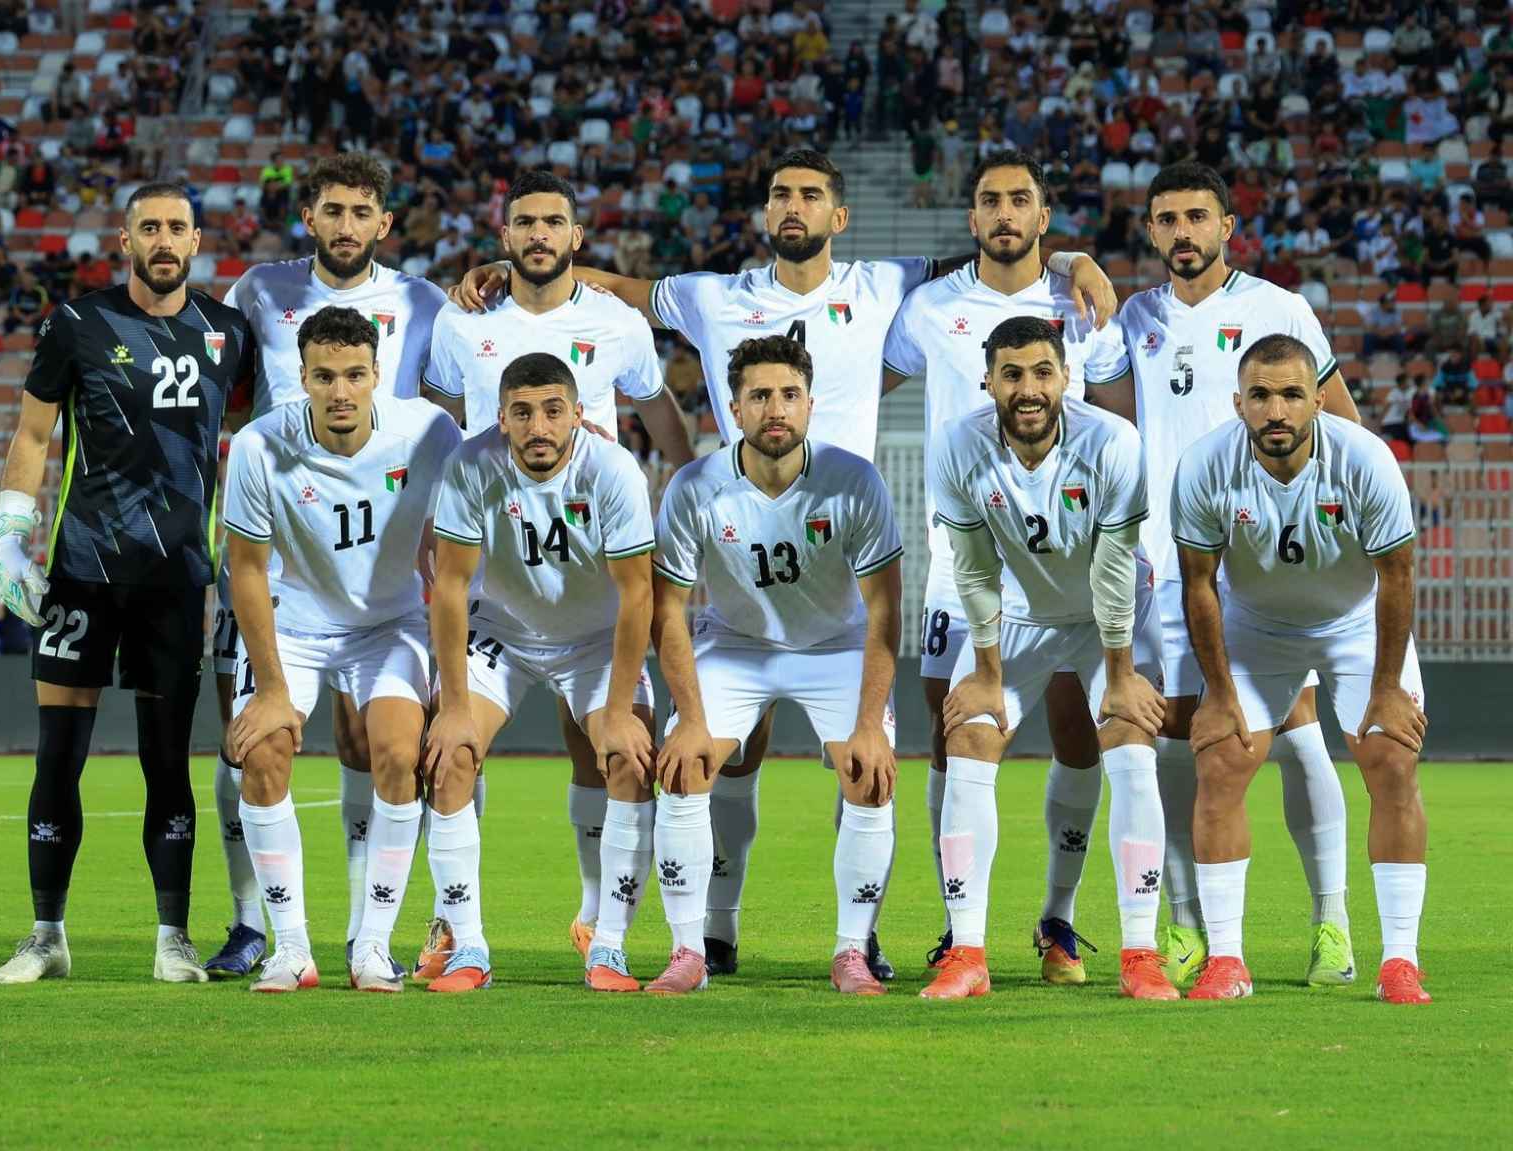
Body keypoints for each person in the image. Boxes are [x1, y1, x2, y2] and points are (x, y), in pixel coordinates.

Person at [452, 148, 1116, 979]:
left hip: (838, 567)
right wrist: (519, 267)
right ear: (765, 211)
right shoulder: (714, 296)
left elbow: (990, 253)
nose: (793, 206)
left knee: (867, 761)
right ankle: (710, 934)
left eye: (809, 194)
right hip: (738, 567)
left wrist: (1072, 258)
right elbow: (620, 289)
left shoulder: (883, 286)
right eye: (779, 194)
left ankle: (860, 940)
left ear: (840, 216)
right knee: (726, 753)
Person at [1090, 162, 1367, 990]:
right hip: (1171, 561)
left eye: (1197, 216)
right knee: (1186, 737)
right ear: (1150, 231)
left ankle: (1332, 922)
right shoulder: (1135, 318)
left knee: (1298, 730)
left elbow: (1344, 426)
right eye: (1167, 218)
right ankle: (1187, 924)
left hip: (1266, 557)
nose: (1183, 232)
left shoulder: (1279, 310)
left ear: (1227, 227)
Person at [420, 170, 692, 975]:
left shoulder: (615, 327)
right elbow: (433, 422)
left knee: (614, 751)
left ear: (577, 236)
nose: (539, 234)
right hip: (497, 592)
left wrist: (691, 485)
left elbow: (655, 410)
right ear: (504, 236)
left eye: (554, 221)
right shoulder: (462, 322)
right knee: (449, 745)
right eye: (525, 222)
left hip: (590, 588)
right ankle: (459, 934)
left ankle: (602, 927)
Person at [0, 182, 253, 985]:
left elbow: (253, 437)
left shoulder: (229, 333)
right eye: (150, 227)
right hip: (82, 573)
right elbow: (34, 432)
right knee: (57, 757)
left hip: (178, 579)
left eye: (177, 227)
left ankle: (173, 938)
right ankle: (46, 935)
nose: (164, 240)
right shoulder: (77, 323)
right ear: (124, 239)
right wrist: (10, 539)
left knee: (167, 762)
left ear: (197, 240)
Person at [883, 150, 1137, 981]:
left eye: (1019, 199)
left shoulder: (1083, 305)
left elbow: (1118, 419)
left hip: (1065, 562)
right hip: (958, 557)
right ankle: (959, 927)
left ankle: (1058, 920)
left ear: (1042, 216)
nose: (1004, 212)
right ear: (972, 218)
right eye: (989, 200)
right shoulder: (930, 308)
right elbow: (862, 381)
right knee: (955, 735)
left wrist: (1077, 263)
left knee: (1077, 733)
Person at [203, 153, 447, 980]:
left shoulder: (426, 428)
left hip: (387, 621)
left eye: (354, 376)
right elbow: (245, 568)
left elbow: (456, 548)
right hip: (293, 616)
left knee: (396, 752)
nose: (340, 391)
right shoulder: (259, 441)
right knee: (261, 748)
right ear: (297, 376)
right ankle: (289, 946)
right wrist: (273, 685)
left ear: (380, 373)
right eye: (323, 377)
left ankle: (371, 943)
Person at [1172, 334, 1431, 1004]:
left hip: (1355, 624)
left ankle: (1400, 961)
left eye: (1291, 394)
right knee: (1221, 761)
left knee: (1392, 760)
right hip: (1257, 628)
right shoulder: (1204, 465)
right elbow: (1199, 585)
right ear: (1238, 403)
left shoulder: (1365, 460)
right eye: (1260, 395)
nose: (1276, 410)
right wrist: (1219, 693)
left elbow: (1397, 575)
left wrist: (1387, 689)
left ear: (1319, 399)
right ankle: (1226, 961)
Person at [926, 315, 1176, 1001]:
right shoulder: (959, 445)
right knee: (968, 737)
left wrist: (1120, 676)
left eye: (1043, 372)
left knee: (1130, 744)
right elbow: (973, 566)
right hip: (1017, 615)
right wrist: (985, 672)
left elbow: (1116, 566)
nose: (1028, 388)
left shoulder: (1112, 441)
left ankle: (1139, 951)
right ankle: (967, 952)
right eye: (1011, 374)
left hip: (1107, 617)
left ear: (1067, 376)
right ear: (989, 382)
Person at [652, 336, 902, 995]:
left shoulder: (855, 480)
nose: (776, 408)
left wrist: (871, 724)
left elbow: (884, 609)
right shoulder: (695, 486)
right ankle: (688, 950)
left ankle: (852, 950)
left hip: (836, 644)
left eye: (789, 394)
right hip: (736, 643)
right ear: (733, 409)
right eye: (759, 395)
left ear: (811, 405)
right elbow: (667, 608)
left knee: (870, 773)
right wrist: (690, 719)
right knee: (683, 767)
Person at [426, 351, 657, 993]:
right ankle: (467, 947)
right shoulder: (471, 464)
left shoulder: (612, 470)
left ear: (578, 414)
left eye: (553, 411)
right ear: (501, 418)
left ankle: (608, 944)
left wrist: (618, 711)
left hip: (592, 639)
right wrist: (452, 707)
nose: (539, 427)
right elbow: (450, 586)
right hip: (503, 633)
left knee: (630, 759)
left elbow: (638, 594)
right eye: (522, 413)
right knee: (449, 755)